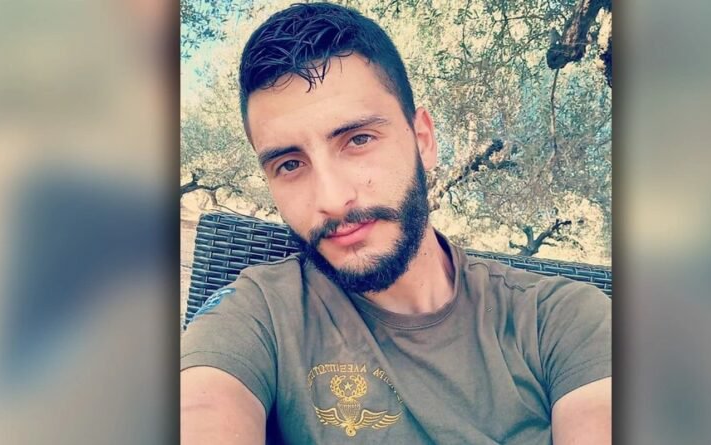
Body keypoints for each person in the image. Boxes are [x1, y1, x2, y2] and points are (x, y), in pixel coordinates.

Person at [181, 3, 611, 444]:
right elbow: (203, 405)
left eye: (358, 140)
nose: (331, 200)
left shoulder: (561, 320)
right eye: (290, 165)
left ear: (423, 140)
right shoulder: (261, 314)